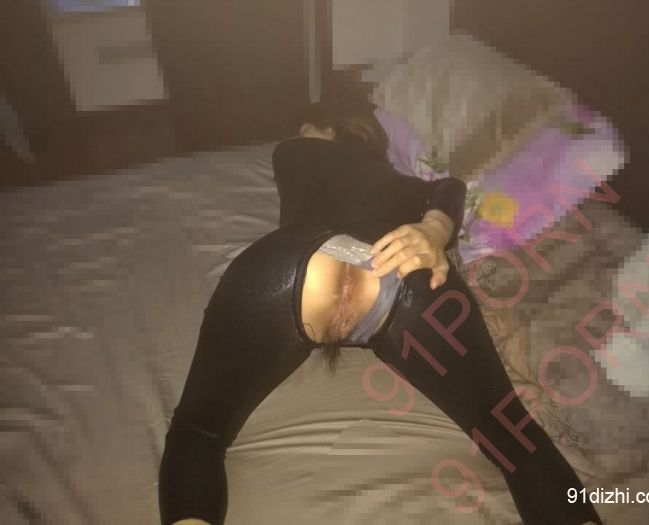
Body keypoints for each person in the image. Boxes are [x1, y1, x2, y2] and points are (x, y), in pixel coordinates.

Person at [158, 97, 602, 525]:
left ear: (328, 127)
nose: (298, 134)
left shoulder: (291, 151)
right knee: (511, 433)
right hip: (398, 263)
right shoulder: (399, 182)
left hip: (290, 264)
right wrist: (433, 230)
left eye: (306, 127)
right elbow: (451, 187)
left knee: (199, 429)